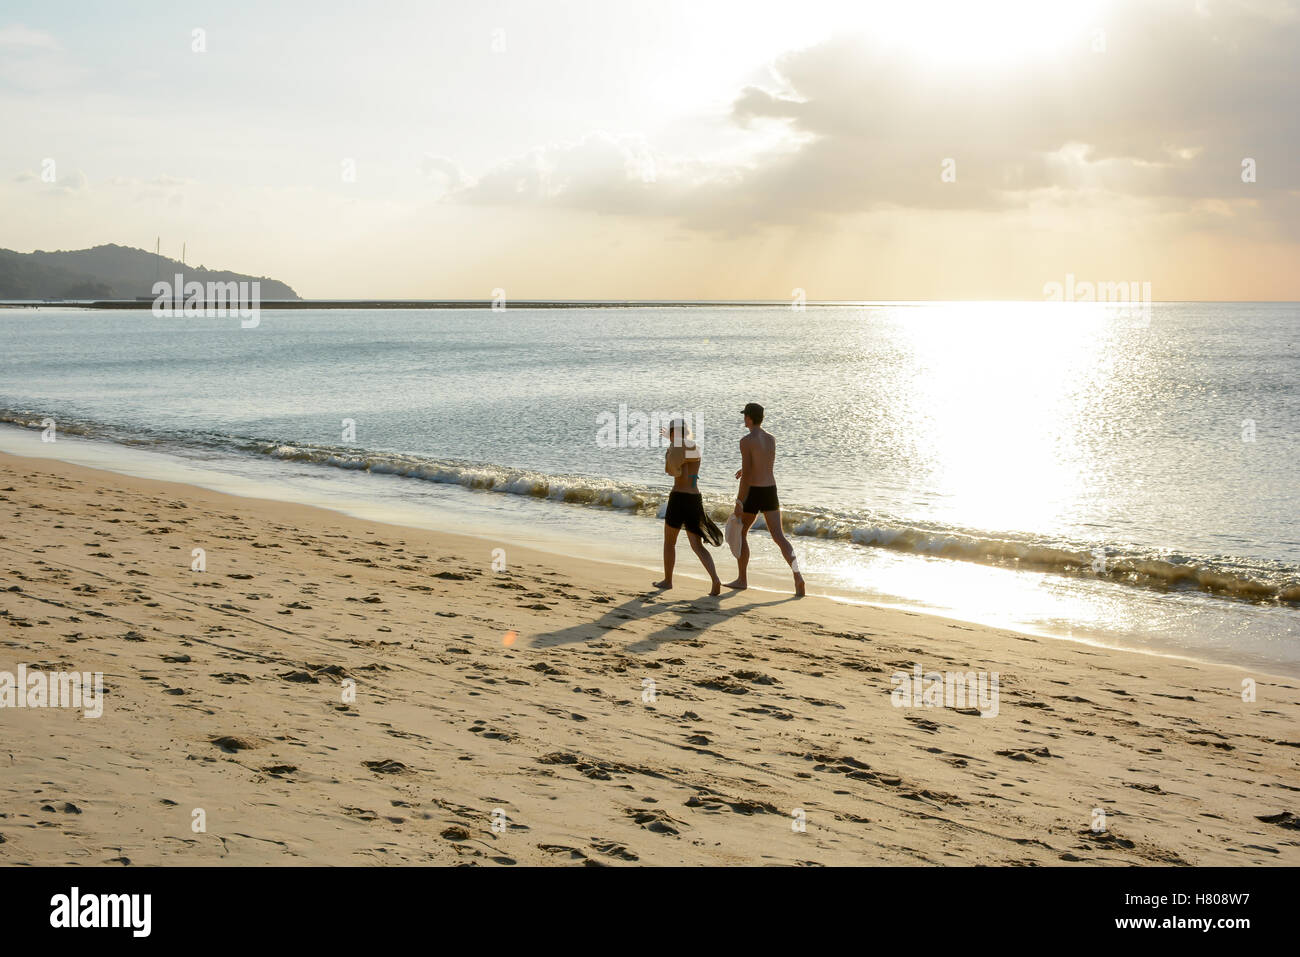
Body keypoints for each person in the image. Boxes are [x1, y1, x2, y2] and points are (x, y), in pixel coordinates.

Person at [725, 402, 804, 596]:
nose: (744, 419)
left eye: (745, 416)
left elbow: (749, 477)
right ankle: (797, 576)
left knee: (741, 533)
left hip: (753, 492)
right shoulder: (771, 439)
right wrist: (745, 470)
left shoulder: (745, 441)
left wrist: (739, 502)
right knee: (779, 536)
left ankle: (742, 580)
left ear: (749, 418)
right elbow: (763, 464)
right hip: (770, 490)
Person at [652, 418, 723, 595]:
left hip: (678, 497)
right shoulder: (695, 447)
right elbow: (690, 471)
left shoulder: (676, 447)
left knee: (669, 543)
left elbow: (672, 471)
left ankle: (668, 581)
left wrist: (669, 452)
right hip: (694, 497)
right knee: (697, 545)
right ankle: (715, 579)